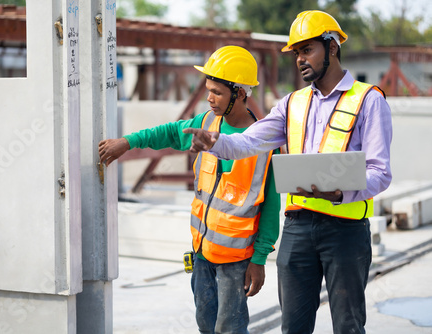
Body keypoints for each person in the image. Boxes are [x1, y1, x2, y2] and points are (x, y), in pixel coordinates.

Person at [183, 10, 392, 334]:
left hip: (346, 231)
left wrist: (339, 192)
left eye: (307, 50)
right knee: (292, 327)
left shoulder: (368, 100)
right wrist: (215, 140)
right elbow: (249, 142)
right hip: (297, 229)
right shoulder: (291, 104)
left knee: (348, 325)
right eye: (296, 53)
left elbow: (380, 172)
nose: (299, 60)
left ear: (332, 48)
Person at [99, 45, 280, 333]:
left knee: (229, 329)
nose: (209, 98)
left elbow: (271, 207)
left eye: (217, 92)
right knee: (205, 326)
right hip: (201, 254)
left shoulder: (263, 144)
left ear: (241, 93)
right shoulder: (206, 123)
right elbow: (169, 133)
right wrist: (128, 142)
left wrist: (259, 260)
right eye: (208, 89)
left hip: (235, 262)